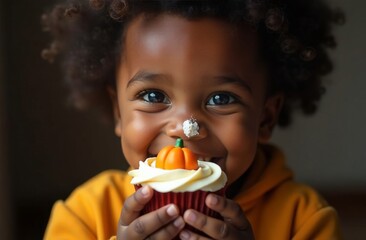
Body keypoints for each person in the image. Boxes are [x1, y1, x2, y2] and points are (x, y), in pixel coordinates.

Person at [41, 0, 344, 239]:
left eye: (221, 99)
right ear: (119, 111)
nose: (187, 128)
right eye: (153, 96)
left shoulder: (304, 219)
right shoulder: (85, 214)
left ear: (265, 118)